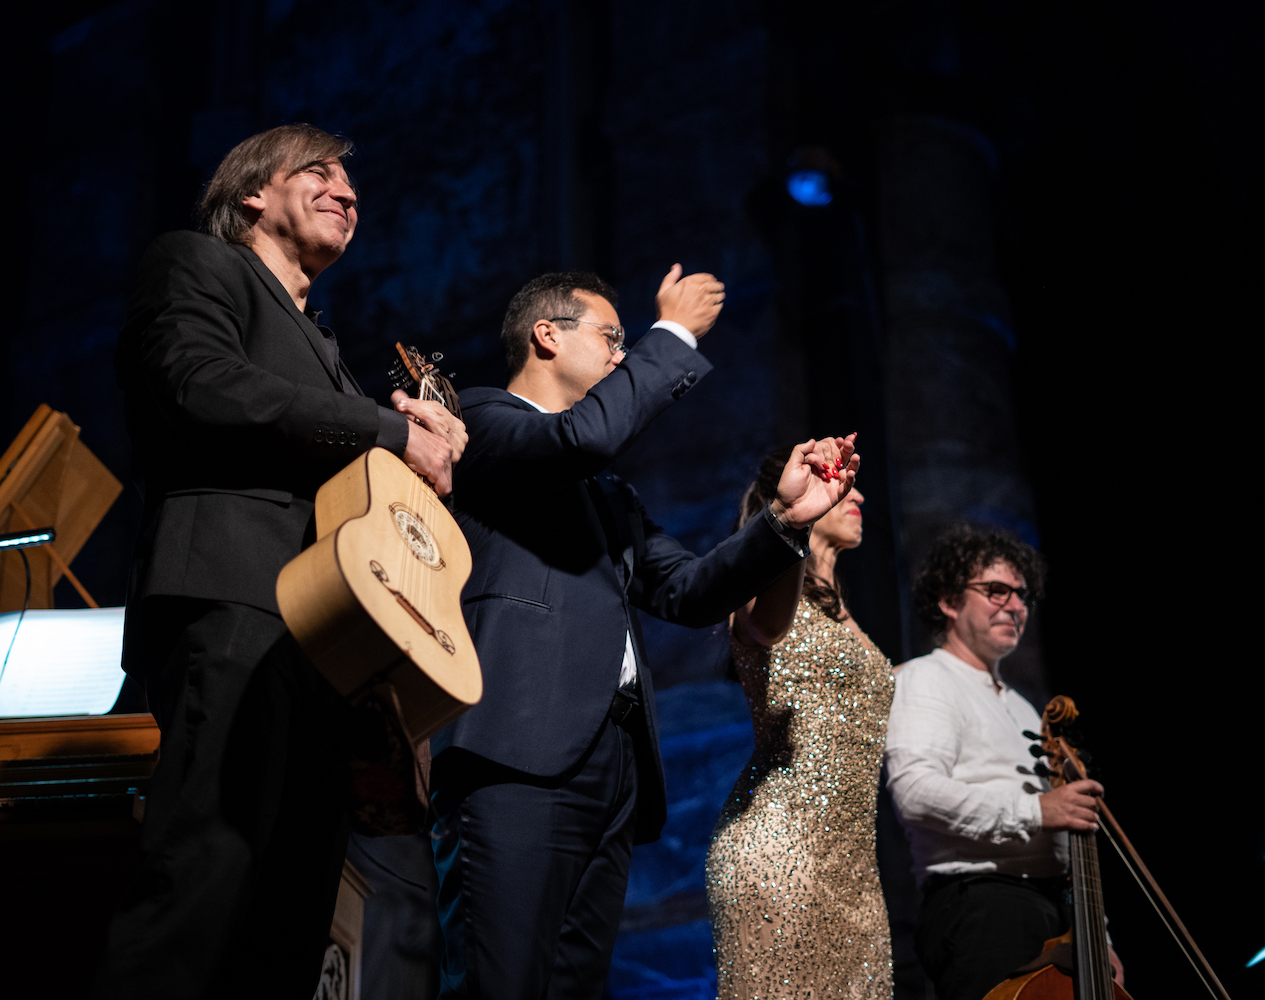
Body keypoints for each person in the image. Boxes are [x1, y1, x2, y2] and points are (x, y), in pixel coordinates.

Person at [98, 124, 466, 999]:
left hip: (326, 646)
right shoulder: (197, 264)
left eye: (351, 181)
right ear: (254, 192)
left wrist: (419, 447)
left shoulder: (330, 352)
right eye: (320, 172)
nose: (346, 189)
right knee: (202, 879)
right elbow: (199, 384)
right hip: (233, 601)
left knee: (291, 918)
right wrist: (390, 432)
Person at [430, 268, 861, 999]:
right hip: (518, 748)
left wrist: (785, 520)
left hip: (611, 763)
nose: (623, 356)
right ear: (546, 335)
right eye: (610, 337)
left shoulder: (607, 492)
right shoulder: (481, 419)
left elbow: (687, 591)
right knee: (499, 981)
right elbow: (582, 437)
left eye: (630, 343)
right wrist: (675, 333)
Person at [884, 524, 1124, 1000]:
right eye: (996, 591)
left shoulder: (1024, 708)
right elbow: (916, 794)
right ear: (949, 601)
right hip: (986, 907)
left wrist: (1099, 935)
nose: (1016, 606)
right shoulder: (925, 680)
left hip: (1058, 913)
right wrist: (1037, 811)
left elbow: (1062, 841)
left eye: (1022, 595)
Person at [707, 448, 896, 998]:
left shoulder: (845, 614)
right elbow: (765, 629)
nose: (858, 494)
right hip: (781, 853)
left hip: (857, 871)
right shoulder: (758, 588)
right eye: (843, 481)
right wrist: (794, 522)